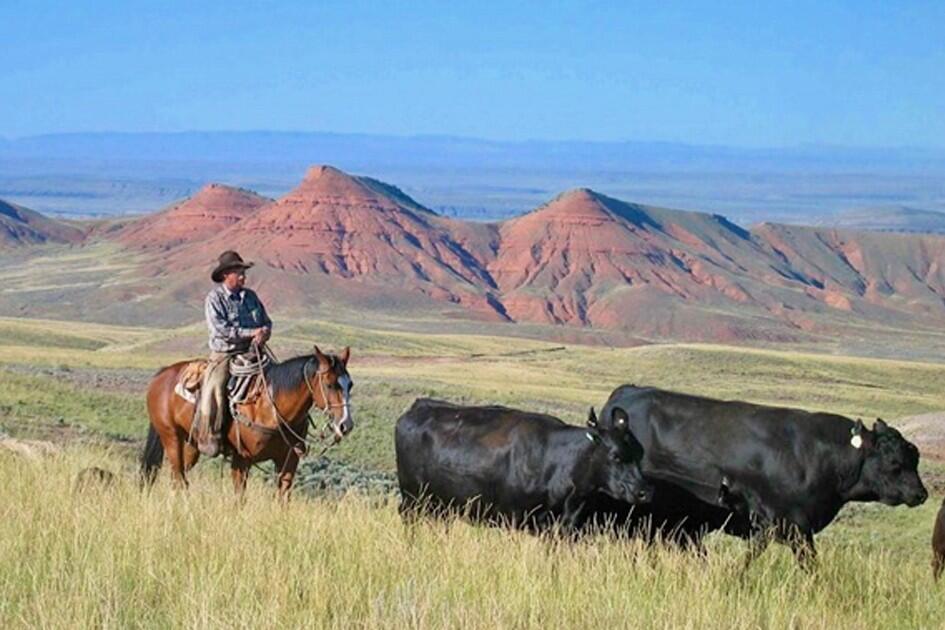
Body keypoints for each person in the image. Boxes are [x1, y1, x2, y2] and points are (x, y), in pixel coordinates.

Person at [196, 250, 272, 457]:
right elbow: (222, 330)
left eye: (243, 272)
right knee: (216, 387)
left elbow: (266, 321)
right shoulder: (214, 299)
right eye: (238, 272)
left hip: (254, 352)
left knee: (281, 380)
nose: (243, 277)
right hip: (225, 354)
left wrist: (264, 332)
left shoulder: (251, 297)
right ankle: (211, 434)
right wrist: (251, 333)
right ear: (225, 275)